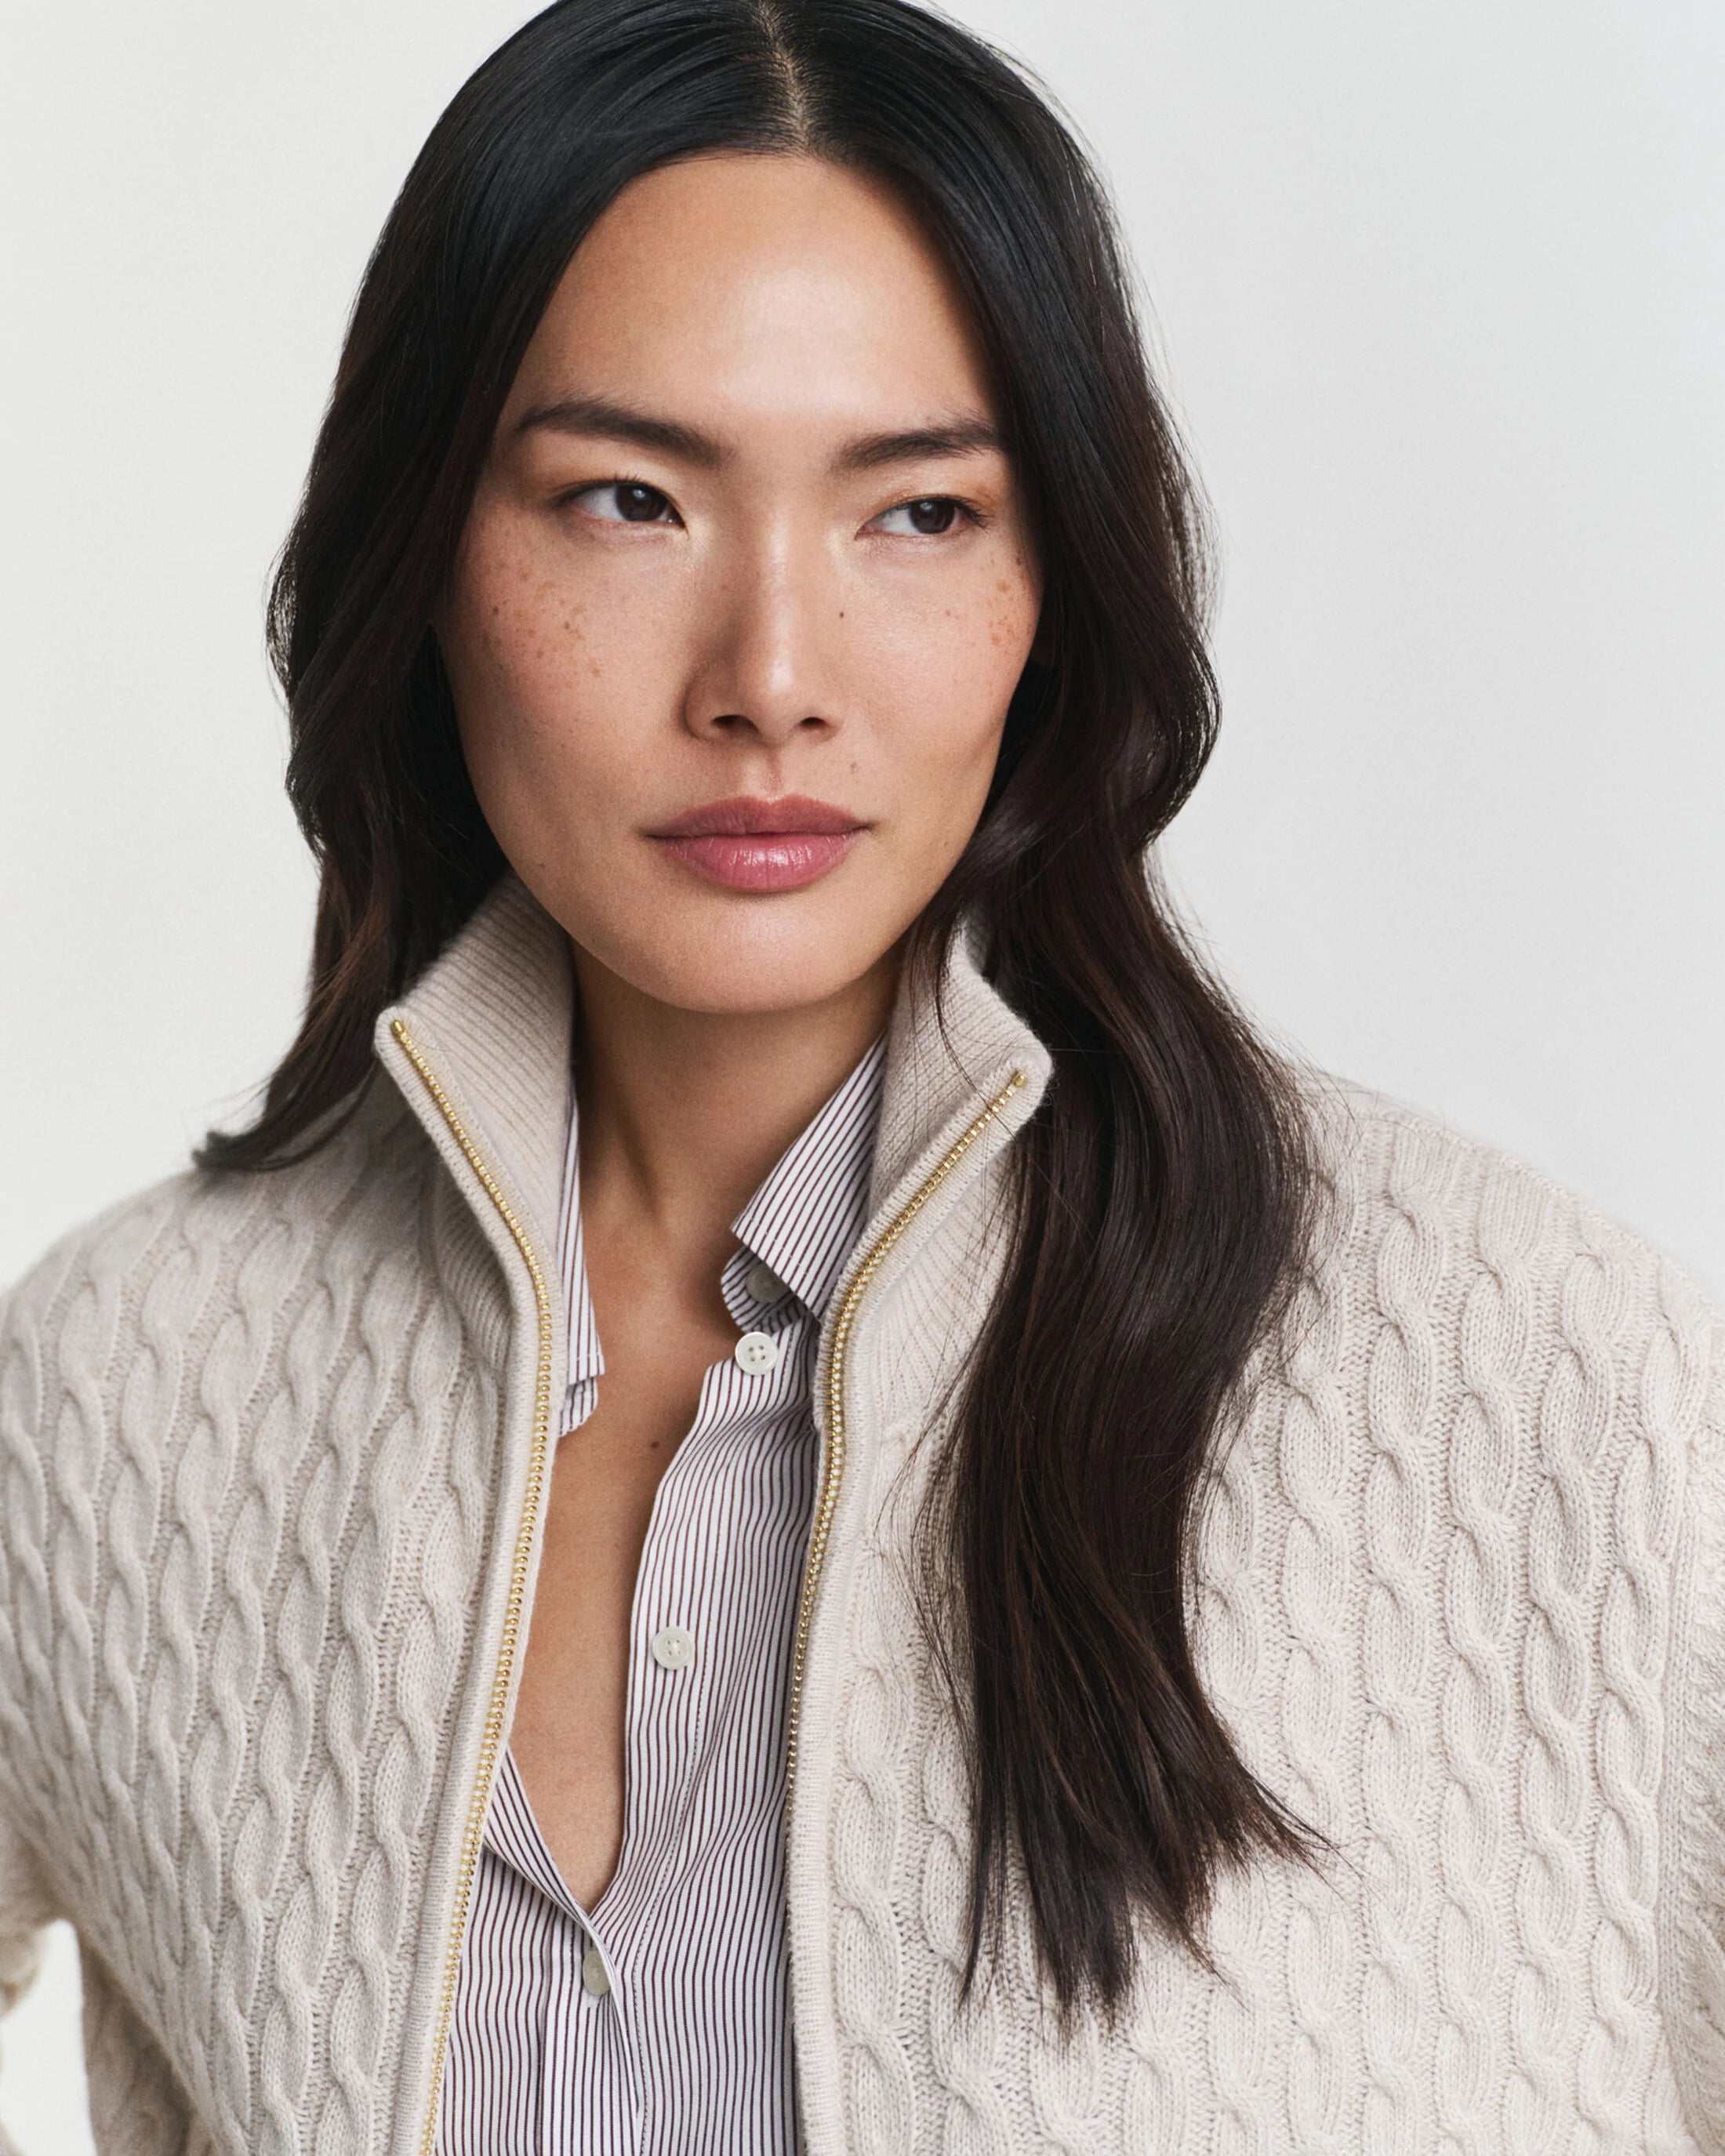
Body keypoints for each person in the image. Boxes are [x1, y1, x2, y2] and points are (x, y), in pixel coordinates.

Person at [2, 0, 1720, 2150]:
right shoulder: (120, 1393)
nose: (772, 679)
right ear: (423, 554)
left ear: (1053, 589)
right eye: (628, 499)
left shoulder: (1553, 1388)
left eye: (916, 513)